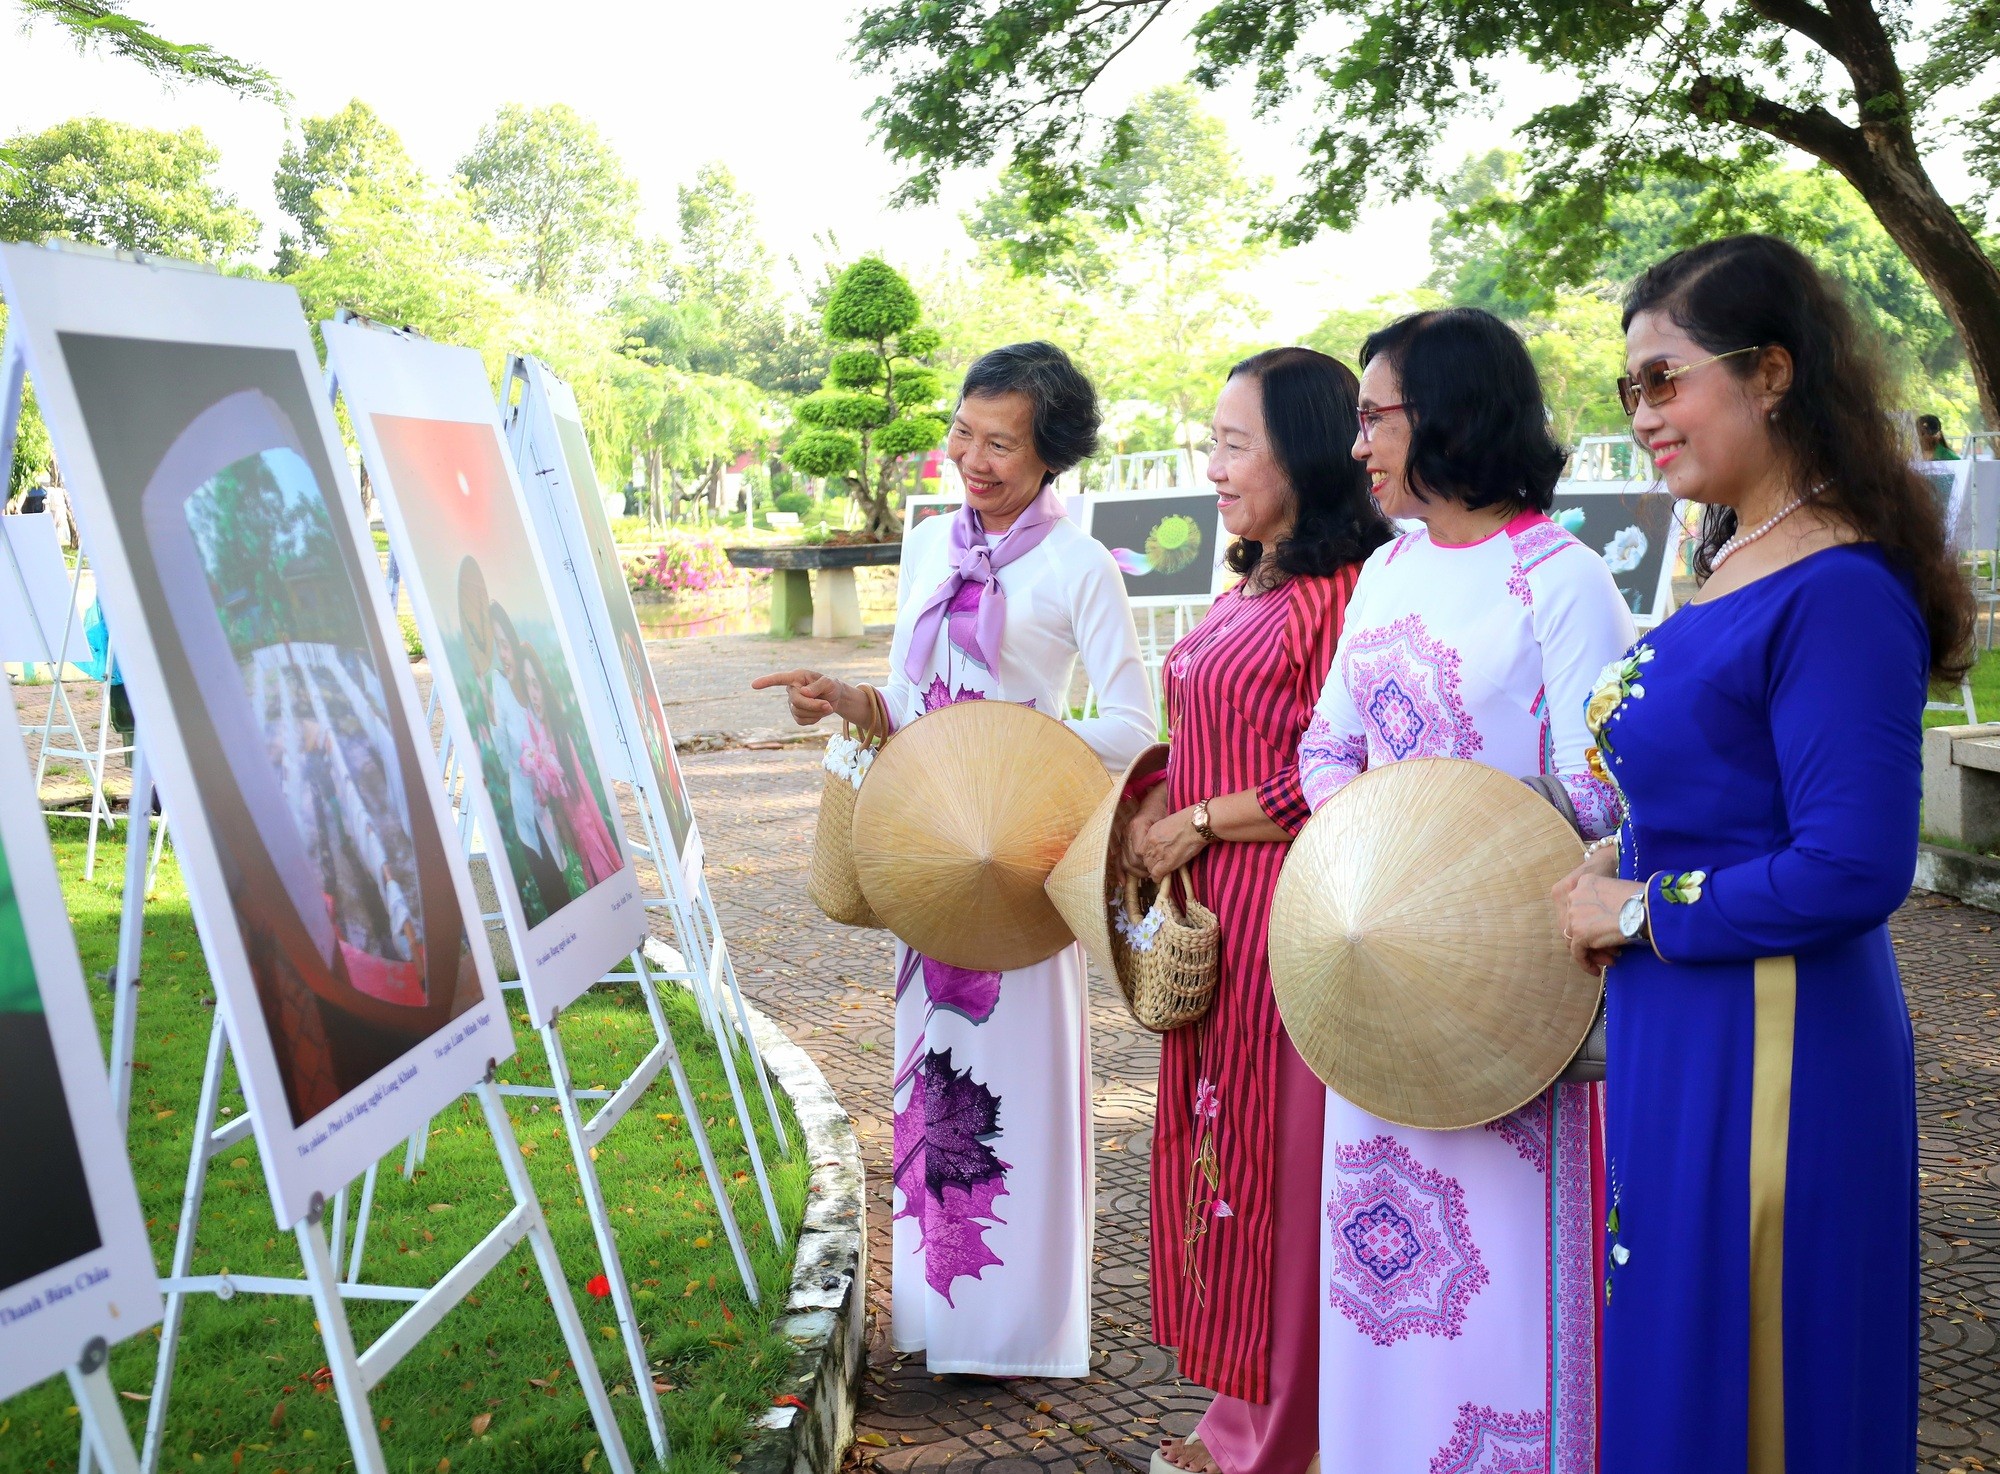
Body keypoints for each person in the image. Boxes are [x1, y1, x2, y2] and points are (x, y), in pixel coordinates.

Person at [1552, 234, 1972, 1474]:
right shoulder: (1729, 554)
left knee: (1761, 1375)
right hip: (1687, 1023)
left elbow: (1853, 864)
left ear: (1771, 372)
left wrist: (1636, 911)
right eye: (1629, 389)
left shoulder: (1834, 587)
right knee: (1680, 1338)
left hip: (1777, 1037)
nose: (1642, 415)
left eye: (1665, 378)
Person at [754, 341, 1155, 1376]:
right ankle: (942, 1318)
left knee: (1016, 1078)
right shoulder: (929, 543)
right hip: (926, 859)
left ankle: (1022, 1329)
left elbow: (1132, 721)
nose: (974, 460)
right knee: (935, 1077)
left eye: (1001, 444)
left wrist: (1013, 749)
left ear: (1051, 452)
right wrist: (848, 702)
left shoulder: (1079, 569)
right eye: (963, 435)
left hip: (1019, 860)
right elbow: (905, 695)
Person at [1293, 308, 1632, 1472]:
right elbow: (1325, 744)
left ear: (1447, 412)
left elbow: (1612, 791)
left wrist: (1467, 852)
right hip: (1375, 977)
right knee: (1373, 1269)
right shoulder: (1384, 570)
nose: (1357, 446)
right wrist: (1373, 851)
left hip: (1507, 989)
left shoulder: (1561, 580)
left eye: (1373, 415)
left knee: (1500, 1275)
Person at [1123, 349, 1391, 1474]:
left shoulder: (1341, 596)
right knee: (1220, 1158)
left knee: (1283, 1175)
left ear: (1310, 454)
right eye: (1212, 441)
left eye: (1235, 444)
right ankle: (1240, 1416)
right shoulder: (1256, 582)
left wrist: (1202, 822)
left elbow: (1353, 763)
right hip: (1210, 921)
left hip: (1288, 910)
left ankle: (1284, 1440)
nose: (1212, 466)